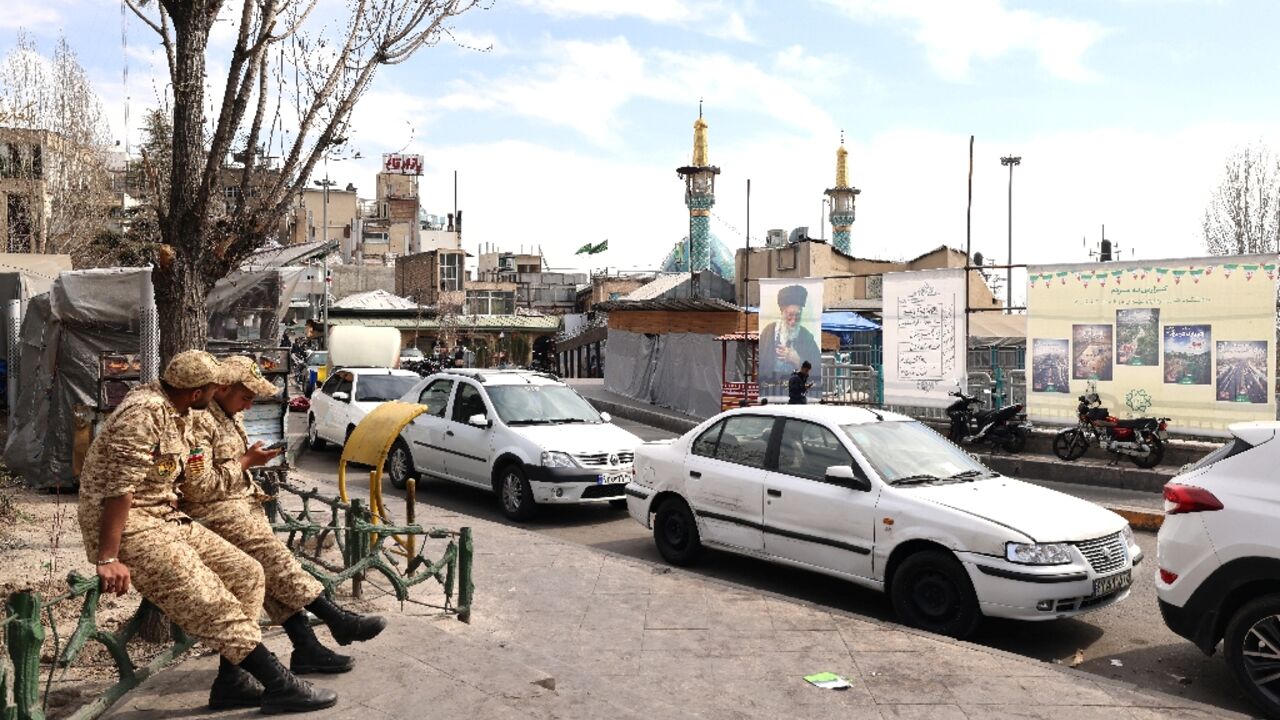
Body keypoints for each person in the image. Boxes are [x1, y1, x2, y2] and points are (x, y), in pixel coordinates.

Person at [77, 350, 336, 714]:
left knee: (247, 574)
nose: (219, 394)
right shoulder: (144, 413)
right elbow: (120, 489)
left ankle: (232, 682)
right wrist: (108, 556)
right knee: (213, 601)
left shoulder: (177, 411)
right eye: (215, 388)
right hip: (133, 527)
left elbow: (179, 475)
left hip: (164, 517)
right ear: (198, 392)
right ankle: (279, 683)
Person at [180, 356, 386, 685]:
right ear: (222, 388)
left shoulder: (228, 415)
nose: (248, 406)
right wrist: (246, 462)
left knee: (270, 569)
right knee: (274, 558)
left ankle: (307, 647)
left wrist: (250, 459)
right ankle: (335, 619)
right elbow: (198, 485)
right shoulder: (200, 420)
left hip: (237, 505)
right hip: (211, 513)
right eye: (245, 397)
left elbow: (228, 465)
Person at [758, 284, 821, 398]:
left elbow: (816, 371)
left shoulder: (807, 337)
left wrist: (797, 360)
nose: (793, 321)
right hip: (771, 394)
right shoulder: (768, 333)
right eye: (790, 315)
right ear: (782, 312)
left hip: (796, 397)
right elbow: (760, 365)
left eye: (797, 315)